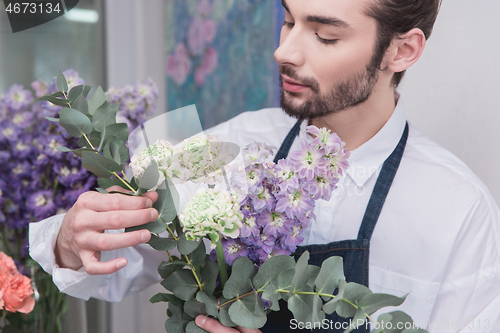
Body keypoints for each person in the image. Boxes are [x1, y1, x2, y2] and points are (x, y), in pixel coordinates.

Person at [29, 0, 500, 332]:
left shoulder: (459, 210)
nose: (286, 51)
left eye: (324, 35)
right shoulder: (230, 145)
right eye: (288, 20)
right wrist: (70, 240)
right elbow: (116, 259)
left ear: (402, 51)